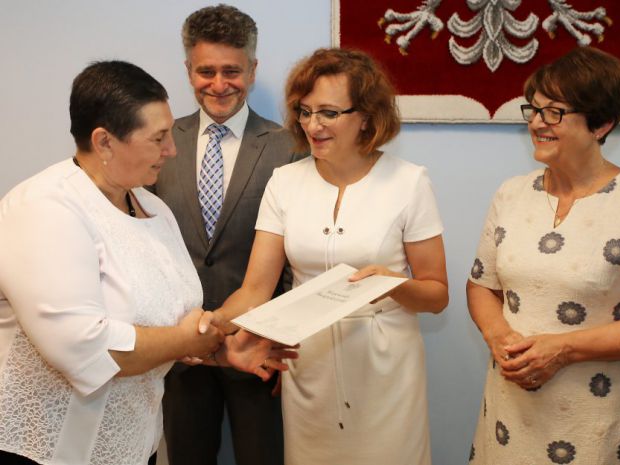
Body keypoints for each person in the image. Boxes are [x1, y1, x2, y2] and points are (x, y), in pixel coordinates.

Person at [0, 60, 295, 465]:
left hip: (134, 444)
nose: (172, 150)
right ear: (104, 142)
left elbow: (169, 321)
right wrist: (191, 341)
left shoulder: (151, 207)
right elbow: (83, 349)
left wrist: (218, 351)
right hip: (51, 448)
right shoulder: (43, 208)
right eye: (158, 138)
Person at [210, 47, 449, 465]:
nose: (312, 125)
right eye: (305, 112)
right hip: (309, 369)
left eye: (328, 113)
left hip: (386, 371)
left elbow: (436, 294)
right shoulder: (284, 182)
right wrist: (210, 326)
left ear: (367, 116)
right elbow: (254, 292)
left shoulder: (409, 182)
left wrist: (392, 285)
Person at [467, 46, 620, 464]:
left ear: (601, 124)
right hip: (511, 413)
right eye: (534, 109)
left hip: (596, 417)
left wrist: (563, 349)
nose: (537, 123)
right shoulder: (511, 194)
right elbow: (482, 285)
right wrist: (498, 335)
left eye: (554, 112)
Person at [149, 4, 302, 465]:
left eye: (232, 71)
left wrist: (283, 335)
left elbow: (296, 257)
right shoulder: (158, 144)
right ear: (188, 70)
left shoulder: (288, 147)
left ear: (252, 70)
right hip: (179, 353)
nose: (219, 84)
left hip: (258, 350)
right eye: (206, 71)